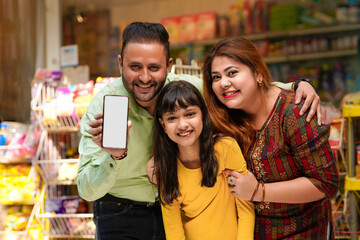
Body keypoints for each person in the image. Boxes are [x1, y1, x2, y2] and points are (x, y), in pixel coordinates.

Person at [76, 21, 322, 240]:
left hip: (176, 212)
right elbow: (87, 191)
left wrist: (297, 85)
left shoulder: (184, 90)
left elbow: (234, 90)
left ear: (169, 66)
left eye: (153, 67)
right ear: (120, 64)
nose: (144, 77)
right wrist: (115, 156)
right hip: (121, 212)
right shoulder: (104, 107)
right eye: (135, 67)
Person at [202, 36, 339, 239]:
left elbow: (325, 183)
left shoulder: (294, 112)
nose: (224, 83)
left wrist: (259, 191)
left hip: (305, 231)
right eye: (216, 77)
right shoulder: (223, 119)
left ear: (258, 73)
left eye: (232, 73)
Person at [152, 80, 254, 240]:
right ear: (163, 124)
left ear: (203, 114)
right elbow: (174, 232)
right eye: (172, 118)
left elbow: (245, 208)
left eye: (190, 114)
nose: (182, 125)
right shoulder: (166, 169)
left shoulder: (225, 148)